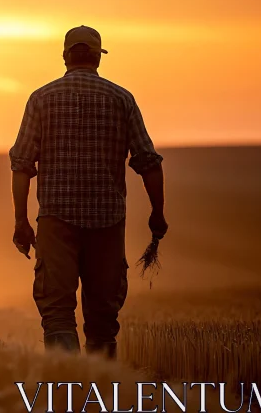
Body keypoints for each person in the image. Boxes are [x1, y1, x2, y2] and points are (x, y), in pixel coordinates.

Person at [9, 26, 168, 359]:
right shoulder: (121, 99)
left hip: (56, 219)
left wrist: (21, 221)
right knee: (103, 318)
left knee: (57, 312)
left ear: (66, 56)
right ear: (97, 56)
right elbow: (149, 162)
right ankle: (101, 393)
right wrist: (157, 212)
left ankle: (66, 391)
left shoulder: (41, 98)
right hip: (107, 222)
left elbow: (22, 164)